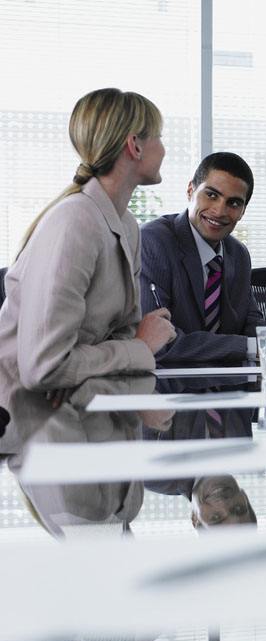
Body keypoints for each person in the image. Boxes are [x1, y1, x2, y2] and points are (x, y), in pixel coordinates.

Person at [0, 88, 175, 404]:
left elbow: (121, 332)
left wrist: (81, 368)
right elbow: (45, 367)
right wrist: (139, 348)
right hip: (30, 417)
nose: (164, 149)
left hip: (84, 405)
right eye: (159, 137)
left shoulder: (127, 226)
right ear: (134, 145)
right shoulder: (74, 222)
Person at [140, 152, 266, 364]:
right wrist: (257, 345)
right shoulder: (153, 243)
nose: (219, 211)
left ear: (243, 211)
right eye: (211, 195)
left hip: (227, 380)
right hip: (168, 380)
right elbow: (159, 343)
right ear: (190, 190)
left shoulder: (238, 254)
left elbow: (248, 322)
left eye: (233, 203)